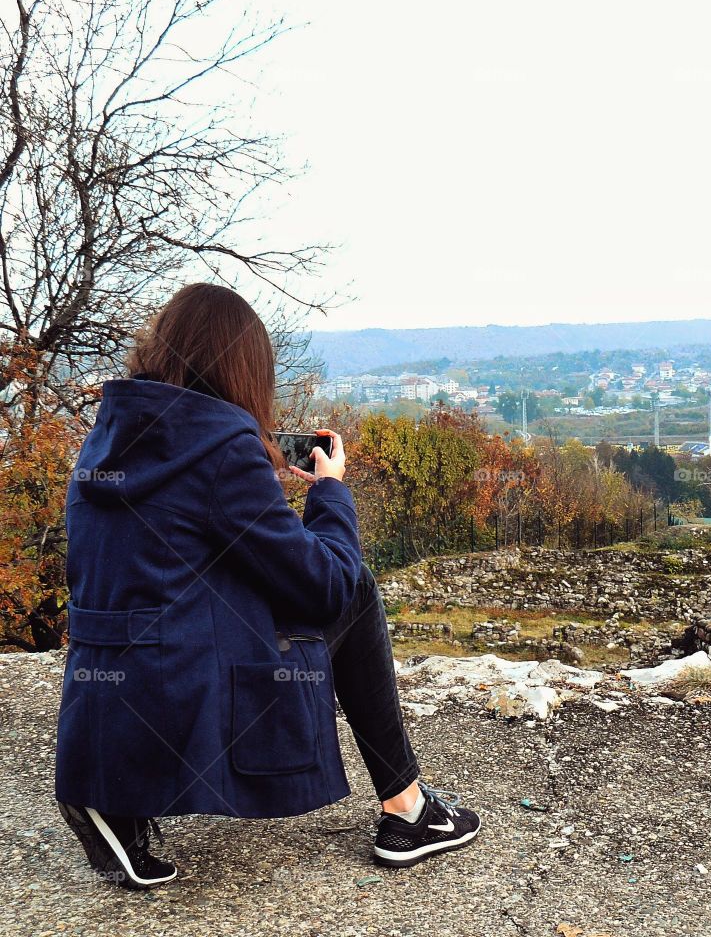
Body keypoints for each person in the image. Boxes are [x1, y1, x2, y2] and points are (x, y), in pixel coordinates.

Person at [54, 282, 480, 889]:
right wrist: (329, 492)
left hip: (109, 695)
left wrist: (261, 468)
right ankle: (408, 808)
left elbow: (174, 557)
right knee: (354, 587)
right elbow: (323, 588)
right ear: (242, 368)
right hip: (186, 693)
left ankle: (115, 798)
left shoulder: (110, 435)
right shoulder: (223, 451)